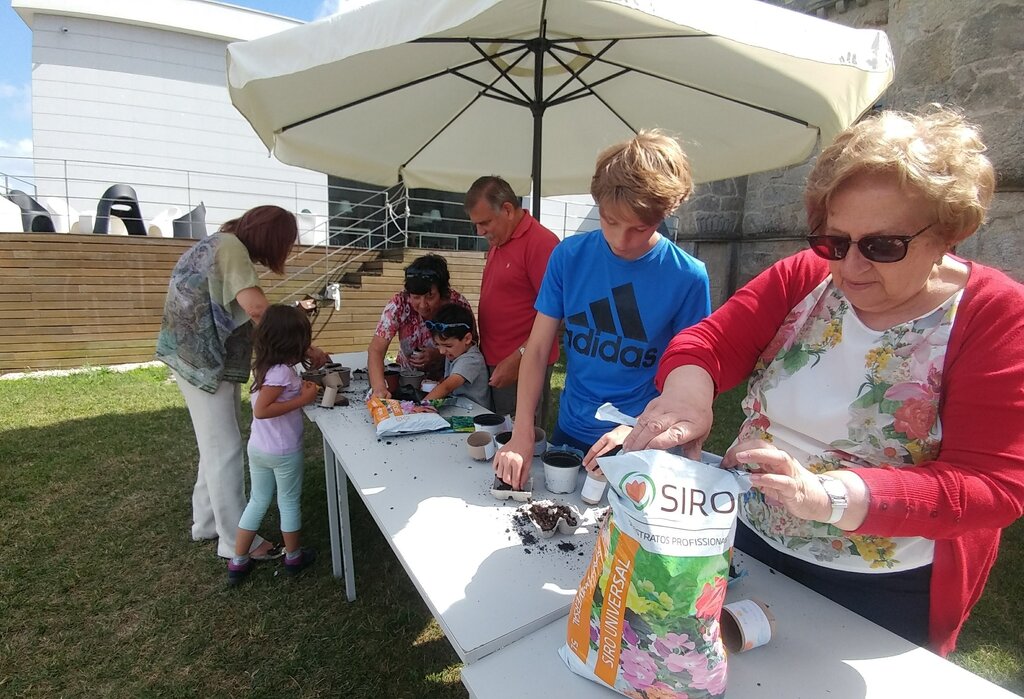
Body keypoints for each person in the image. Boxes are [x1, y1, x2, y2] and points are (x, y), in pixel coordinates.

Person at [622, 106, 1024, 656]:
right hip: (748, 535)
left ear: (949, 231)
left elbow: (992, 487)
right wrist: (687, 399)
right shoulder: (805, 276)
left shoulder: (995, 315)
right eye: (834, 241)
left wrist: (828, 495)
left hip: (877, 583)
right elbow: (708, 343)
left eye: (883, 246)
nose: (851, 268)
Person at [493, 130, 711, 489]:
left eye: (639, 228)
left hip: (639, 440)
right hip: (570, 428)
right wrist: (521, 431)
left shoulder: (687, 276)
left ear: (665, 214)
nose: (621, 241)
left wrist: (636, 429)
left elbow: (690, 381)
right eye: (610, 221)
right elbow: (535, 350)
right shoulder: (569, 257)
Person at [156, 205, 328, 561]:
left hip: (191, 354)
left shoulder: (221, 243)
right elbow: (258, 310)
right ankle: (237, 541)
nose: (287, 251)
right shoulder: (231, 247)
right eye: (287, 243)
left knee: (215, 443)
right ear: (272, 237)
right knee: (226, 448)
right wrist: (303, 345)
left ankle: (206, 524)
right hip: (203, 360)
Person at [228, 305, 320, 585]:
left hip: (259, 448)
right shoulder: (281, 373)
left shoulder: (268, 365)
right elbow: (263, 410)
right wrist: (303, 399)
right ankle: (293, 556)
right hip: (283, 451)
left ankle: (238, 562)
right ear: (293, 342)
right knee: (288, 501)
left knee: (257, 501)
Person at [466, 176, 559, 424]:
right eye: (475, 224)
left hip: (522, 366)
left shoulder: (542, 243)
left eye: (485, 222)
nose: (479, 231)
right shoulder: (500, 240)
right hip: (493, 362)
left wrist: (519, 358)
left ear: (507, 209)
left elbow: (558, 314)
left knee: (520, 441)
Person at [367, 254, 472, 398]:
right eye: (415, 297)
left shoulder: (457, 305)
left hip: (448, 384)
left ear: (443, 293)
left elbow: (471, 345)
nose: (422, 305)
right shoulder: (398, 305)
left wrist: (437, 355)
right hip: (408, 381)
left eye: (430, 297)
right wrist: (379, 387)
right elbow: (376, 349)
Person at [421, 303, 492, 409]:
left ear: (467, 339)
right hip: (459, 408)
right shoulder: (455, 352)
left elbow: (447, 387)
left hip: (475, 414)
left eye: (448, 345)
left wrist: (421, 406)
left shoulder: (471, 360)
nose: (441, 351)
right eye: (437, 344)